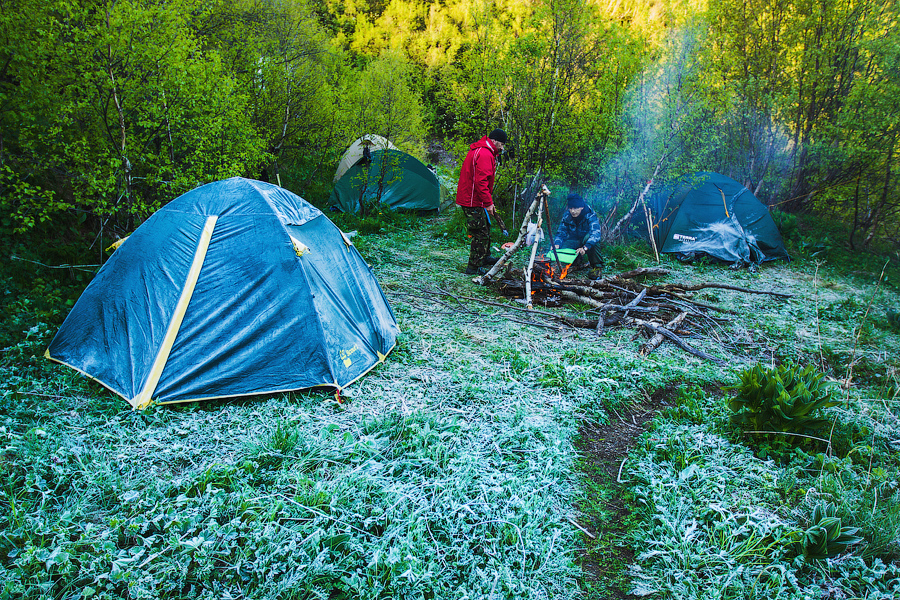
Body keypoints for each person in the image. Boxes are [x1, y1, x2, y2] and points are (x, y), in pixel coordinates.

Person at [456, 128, 507, 275]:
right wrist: (488, 202)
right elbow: (481, 182)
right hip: (472, 199)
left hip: (474, 197)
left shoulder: (483, 150)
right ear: (495, 141)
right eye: (501, 144)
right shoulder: (485, 153)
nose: (502, 148)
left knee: (486, 227)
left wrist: (486, 201)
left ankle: (484, 257)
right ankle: (473, 267)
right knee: (480, 233)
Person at [553, 192, 603, 276]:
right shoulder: (567, 216)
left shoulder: (590, 214)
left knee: (591, 239)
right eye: (571, 208)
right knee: (564, 245)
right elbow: (561, 232)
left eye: (576, 208)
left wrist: (585, 247)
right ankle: (575, 261)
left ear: (582, 207)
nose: (573, 211)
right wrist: (557, 244)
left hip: (587, 242)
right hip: (575, 240)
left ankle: (597, 268)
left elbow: (596, 233)